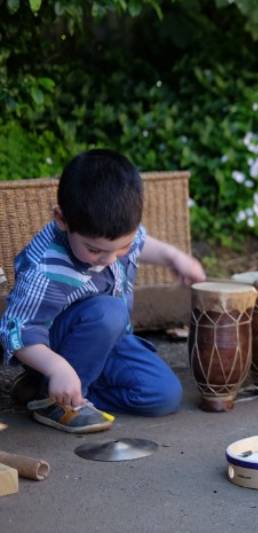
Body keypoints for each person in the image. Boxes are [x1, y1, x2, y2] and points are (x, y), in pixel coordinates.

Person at [1, 149, 206, 433]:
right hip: (54, 348)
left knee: (163, 396)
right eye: (94, 249)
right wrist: (56, 367)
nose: (109, 259)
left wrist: (174, 257)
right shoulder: (45, 268)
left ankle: (48, 393)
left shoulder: (113, 230)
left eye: (121, 248)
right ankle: (58, 397)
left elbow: (141, 243)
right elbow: (18, 331)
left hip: (110, 341)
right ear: (62, 219)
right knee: (109, 311)